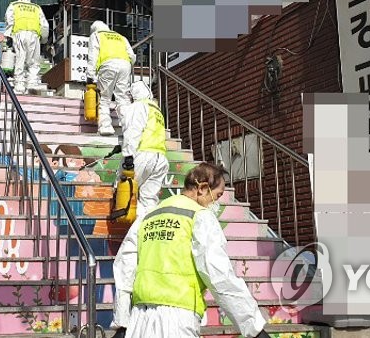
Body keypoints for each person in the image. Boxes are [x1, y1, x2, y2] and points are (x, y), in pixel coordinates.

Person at [111, 162, 272, 338]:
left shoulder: (148, 217)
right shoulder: (199, 216)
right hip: (179, 319)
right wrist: (254, 328)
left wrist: (122, 322)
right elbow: (219, 274)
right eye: (217, 196)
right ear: (202, 188)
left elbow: (125, 267)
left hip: (139, 319)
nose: (216, 203)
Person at [119, 80, 170, 219]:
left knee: (127, 192)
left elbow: (132, 131)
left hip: (142, 155)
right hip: (160, 158)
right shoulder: (156, 110)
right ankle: (149, 226)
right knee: (149, 199)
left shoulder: (138, 106)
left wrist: (128, 156)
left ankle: (135, 225)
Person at [87, 21, 134, 136]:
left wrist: (90, 75)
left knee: (104, 98)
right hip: (125, 65)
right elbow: (132, 56)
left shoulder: (96, 35)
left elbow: (93, 55)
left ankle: (105, 127)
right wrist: (126, 64)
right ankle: (129, 126)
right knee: (123, 98)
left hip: (107, 65)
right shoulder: (120, 37)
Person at [4, 0, 49, 94]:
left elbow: (9, 20)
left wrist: (8, 34)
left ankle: (19, 85)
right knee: (33, 61)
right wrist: (44, 39)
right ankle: (32, 82)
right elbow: (44, 25)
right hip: (34, 35)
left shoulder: (14, 5)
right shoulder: (36, 8)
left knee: (20, 59)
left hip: (19, 33)